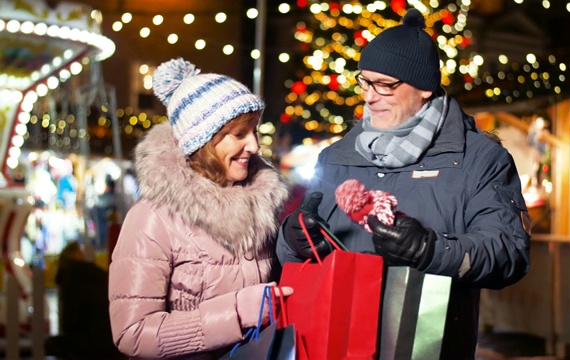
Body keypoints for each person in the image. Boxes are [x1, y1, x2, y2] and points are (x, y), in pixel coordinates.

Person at [276, 9, 531, 360]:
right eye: (365, 82)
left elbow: (508, 254)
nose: (369, 96)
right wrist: (293, 239)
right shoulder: (337, 156)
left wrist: (430, 251)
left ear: (424, 88)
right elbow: (296, 258)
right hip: (334, 344)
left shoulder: (478, 158)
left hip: (426, 347)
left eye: (386, 85)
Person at [108, 58, 292, 359]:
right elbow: (133, 333)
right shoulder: (153, 218)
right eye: (239, 134)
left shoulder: (262, 203)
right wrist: (237, 313)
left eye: (254, 131)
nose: (255, 146)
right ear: (204, 139)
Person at [45, 242, 125, 359]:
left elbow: (68, 322)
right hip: (111, 342)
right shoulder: (97, 274)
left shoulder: (72, 280)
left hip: (88, 345)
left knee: (50, 344)